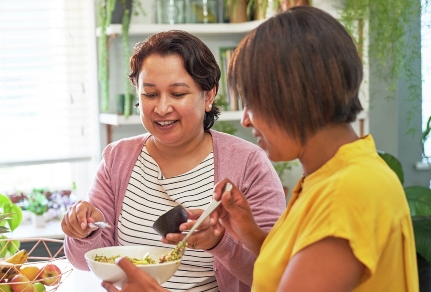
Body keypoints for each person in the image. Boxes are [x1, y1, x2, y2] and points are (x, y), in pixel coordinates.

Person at [101, 5, 419, 292]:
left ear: (297, 98)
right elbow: (290, 268)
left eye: (253, 102)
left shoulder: (351, 192)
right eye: (151, 94)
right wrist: (246, 234)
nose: (248, 120)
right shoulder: (334, 175)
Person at [62, 30, 286, 291]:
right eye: (150, 94)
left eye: (178, 94)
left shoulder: (248, 163)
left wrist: (220, 243)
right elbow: (84, 261)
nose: (162, 108)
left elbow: (277, 273)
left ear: (209, 95)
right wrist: (83, 231)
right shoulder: (117, 158)